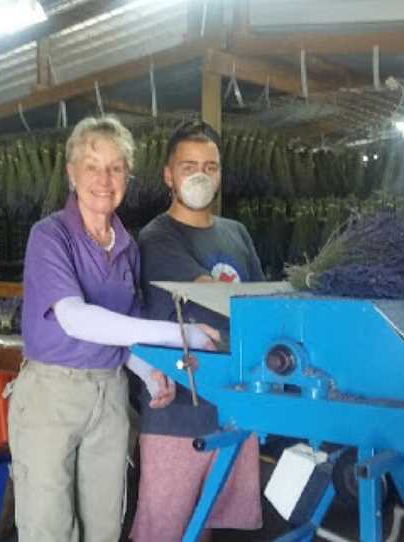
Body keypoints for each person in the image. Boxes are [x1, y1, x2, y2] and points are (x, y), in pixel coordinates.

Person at [8, 115, 219, 542]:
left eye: (116, 168)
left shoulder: (126, 244)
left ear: (128, 177)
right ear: (71, 173)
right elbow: (75, 318)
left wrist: (147, 369)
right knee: (48, 526)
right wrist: (179, 337)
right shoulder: (49, 236)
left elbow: (124, 336)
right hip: (52, 395)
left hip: (110, 396)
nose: (104, 179)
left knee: (105, 523)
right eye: (92, 166)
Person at [130, 120, 265, 542]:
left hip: (231, 406)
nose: (200, 175)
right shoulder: (157, 236)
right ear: (169, 175)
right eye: (189, 166)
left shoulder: (236, 233)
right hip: (176, 408)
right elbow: (214, 296)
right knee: (166, 531)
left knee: (207, 522)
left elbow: (259, 306)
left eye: (211, 166)